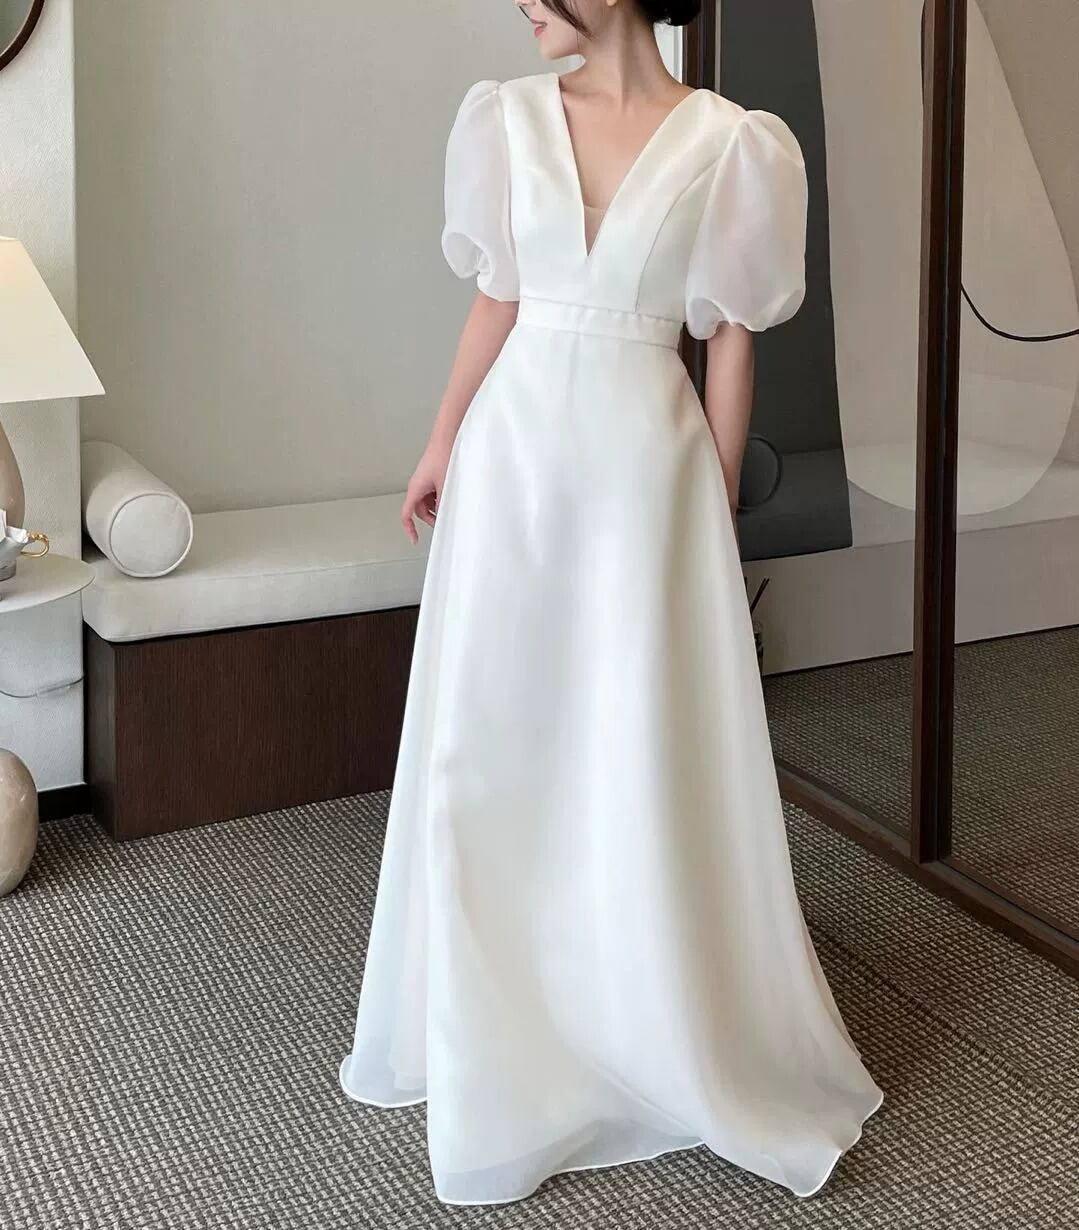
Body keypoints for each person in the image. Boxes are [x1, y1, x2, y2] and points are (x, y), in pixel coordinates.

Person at [340, 0, 884, 1207]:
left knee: (630, 737)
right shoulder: (502, 118)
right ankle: (494, 1029)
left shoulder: (733, 143)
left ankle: (638, 1010)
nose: (522, 4)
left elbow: (728, 340)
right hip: (514, 465)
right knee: (490, 741)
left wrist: (713, 502)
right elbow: (497, 298)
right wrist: (438, 446)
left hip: (647, 474)